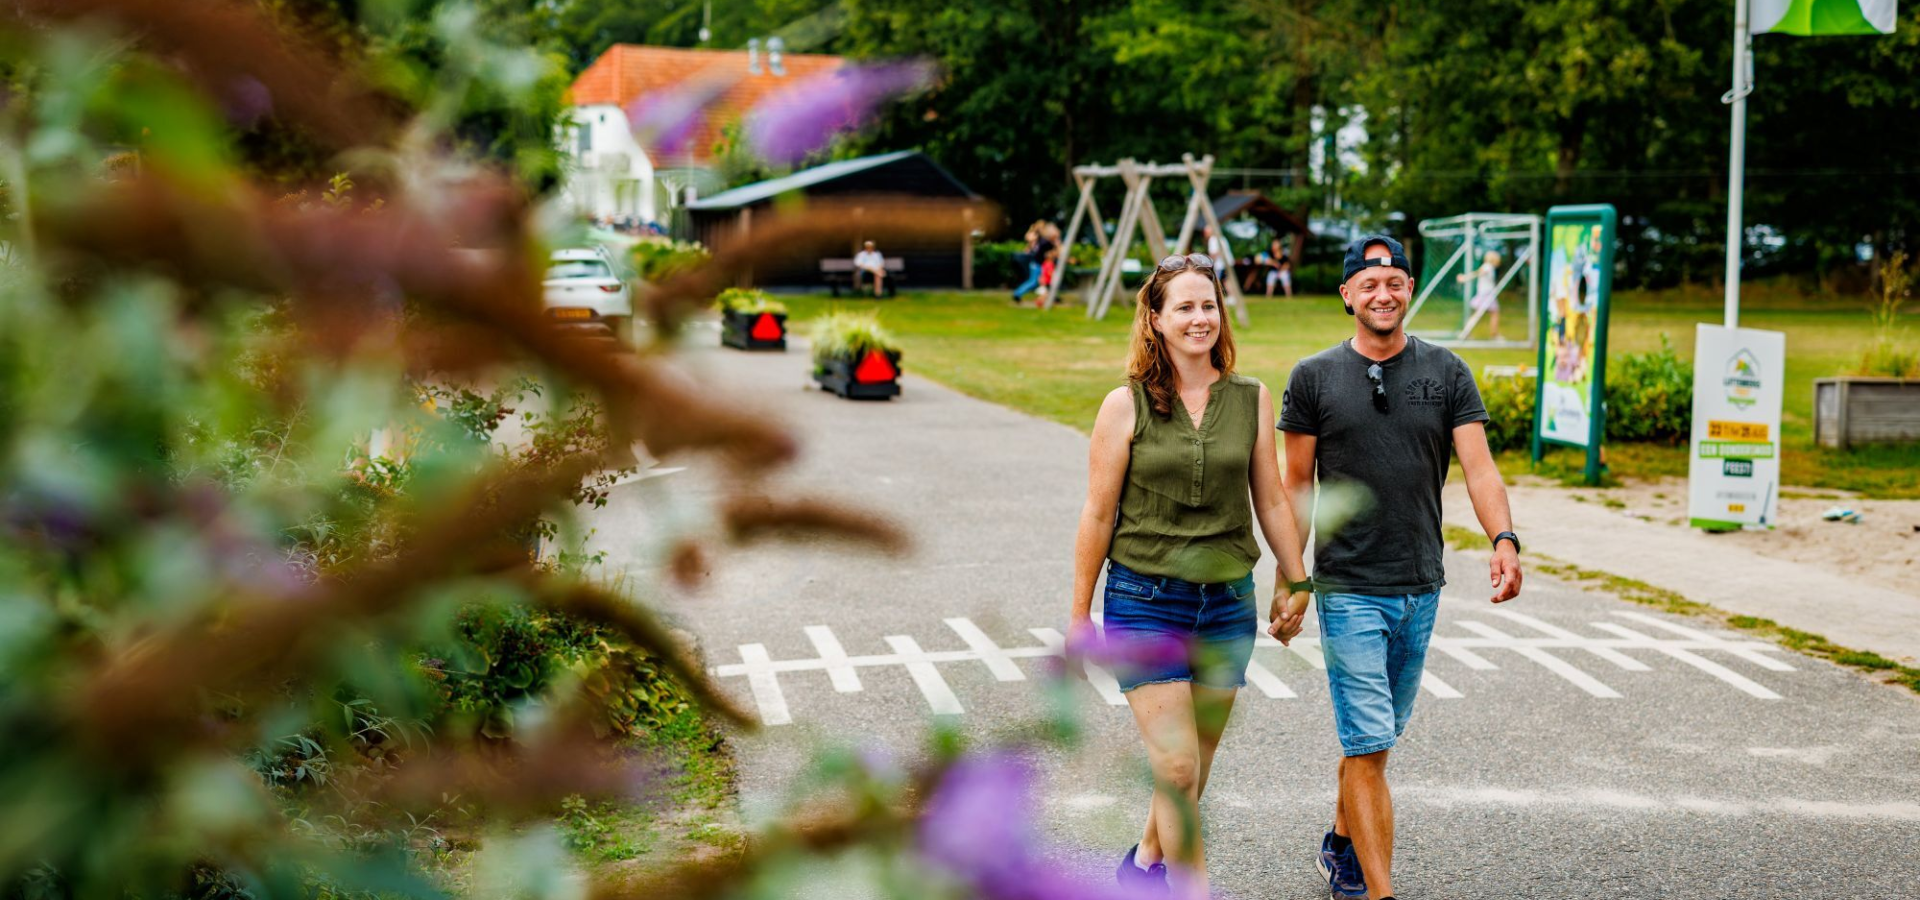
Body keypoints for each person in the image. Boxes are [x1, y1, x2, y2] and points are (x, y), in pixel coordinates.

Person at [1278, 235, 1524, 900]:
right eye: (1369, 283)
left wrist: (1504, 538)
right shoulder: (1313, 378)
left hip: (1420, 584)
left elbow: (1479, 467)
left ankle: (1340, 843)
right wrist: (1292, 579)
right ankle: (1377, 890)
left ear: (1408, 289)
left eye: (1395, 283)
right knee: (1366, 741)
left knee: (1374, 743)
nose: (1382, 294)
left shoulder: (1445, 372)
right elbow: (1295, 490)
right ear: (1347, 295)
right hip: (1348, 587)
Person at [1068, 253, 1314, 899]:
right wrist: (1078, 614)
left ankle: (1145, 860)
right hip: (1145, 600)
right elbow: (1098, 513)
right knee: (1177, 767)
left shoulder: (1253, 398)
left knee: (1189, 770)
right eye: (1184, 306)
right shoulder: (1124, 406)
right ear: (1155, 319)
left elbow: (1270, 498)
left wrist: (1296, 580)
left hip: (1227, 605)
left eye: (1209, 304)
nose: (1200, 317)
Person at [1457, 250, 1503, 339]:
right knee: (1491, 314)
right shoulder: (1488, 267)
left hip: (1486, 294)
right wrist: (1464, 278)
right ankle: (1494, 335)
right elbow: (1478, 273)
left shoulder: (1489, 267)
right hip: (1486, 294)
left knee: (1485, 314)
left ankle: (1466, 333)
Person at [1012, 221, 1055, 305]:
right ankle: (1017, 293)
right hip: (1037, 264)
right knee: (1034, 282)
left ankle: (1052, 297)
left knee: (1039, 281)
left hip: (1036, 263)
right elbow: (1051, 247)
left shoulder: (1039, 240)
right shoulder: (1042, 241)